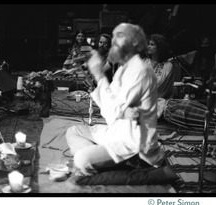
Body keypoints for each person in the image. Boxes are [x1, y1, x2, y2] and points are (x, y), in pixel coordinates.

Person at [66, 23, 165, 176]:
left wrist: (99, 75)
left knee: (80, 158)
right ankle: (100, 159)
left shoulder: (141, 72)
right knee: (74, 130)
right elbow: (109, 102)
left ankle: (126, 161)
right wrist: (94, 86)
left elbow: (113, 111)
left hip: (133, 142)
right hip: (116, 131)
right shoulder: (121, 70)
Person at [144, 34, 174, 99]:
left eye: (152, 45)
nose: (148, 46)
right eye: (148, 44)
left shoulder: (168, 66)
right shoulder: (144, 62)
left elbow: (165, 87)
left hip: (159, 102)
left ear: (160, 47)